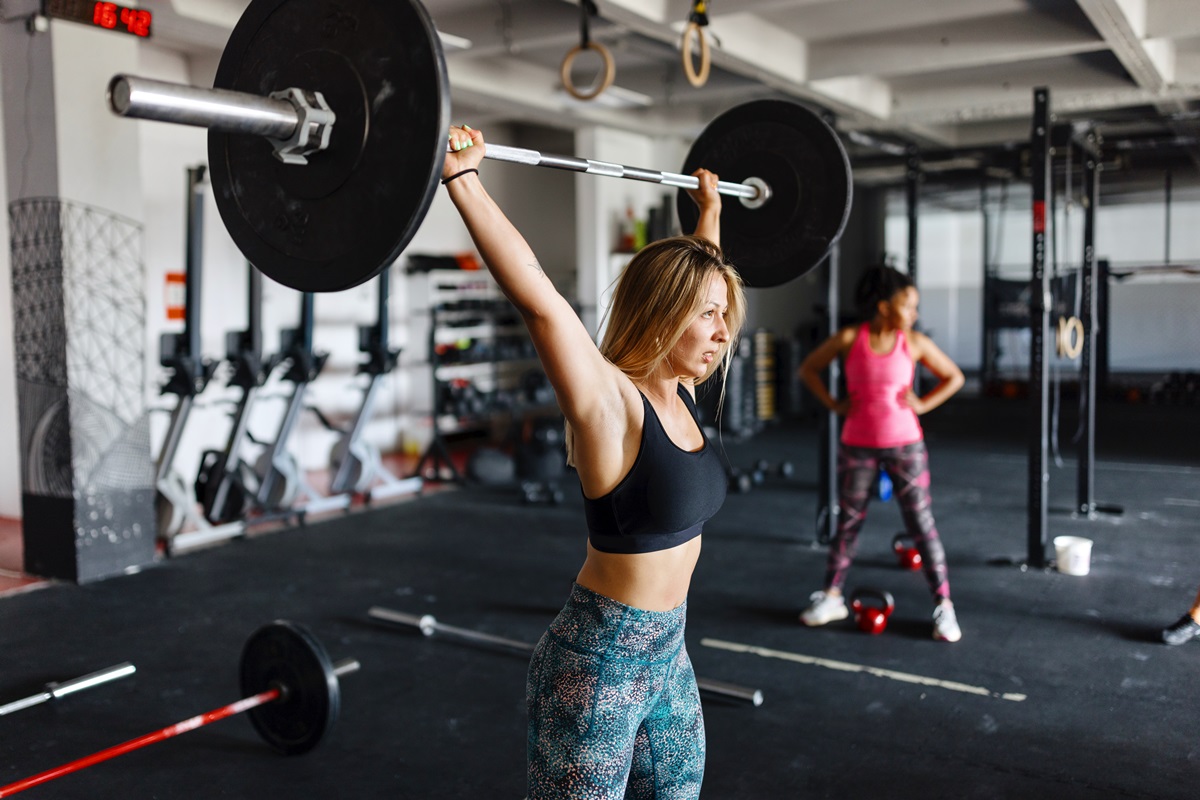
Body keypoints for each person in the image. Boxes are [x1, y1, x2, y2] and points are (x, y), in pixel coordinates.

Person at [442, 125, 745, 799]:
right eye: (709, 317)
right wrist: (462, 181)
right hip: (597, 662)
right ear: (665, 315)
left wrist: (711, 214)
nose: (723, 333)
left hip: (669, 653)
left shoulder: (685, 394)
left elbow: (702, 279)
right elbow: (540, 301)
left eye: (725, 315)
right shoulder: (612, 404)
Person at [797, 265, 965, 642]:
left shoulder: (914, 342)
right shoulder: (849, 338)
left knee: (921, 525)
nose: (914, 313)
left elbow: (954, 377)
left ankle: (944, 607)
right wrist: (832, 404)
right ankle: (832, 597)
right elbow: (808, 369)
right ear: (885, 306)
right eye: (908, 305)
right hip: (857, 444)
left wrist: (922, 405)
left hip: (906, 445)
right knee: (847, 527)